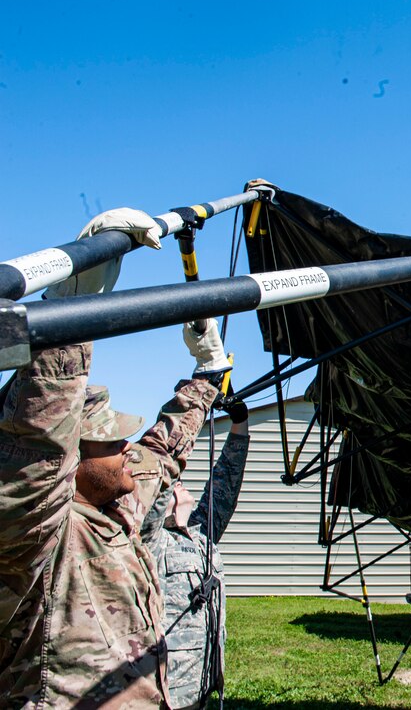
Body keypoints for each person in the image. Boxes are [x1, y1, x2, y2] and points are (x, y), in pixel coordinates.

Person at [0, 208, 233, 707]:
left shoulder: (114, 509)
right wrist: (69, 310)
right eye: (110, 441)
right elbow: (36, 442)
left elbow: (161, 451)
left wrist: (208, 373)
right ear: (71, 461)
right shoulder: (40, 536)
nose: (126, 446)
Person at [141, 395, 250, 709]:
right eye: (177, 484)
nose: (181, 484)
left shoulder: (203, 533)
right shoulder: (152, 539)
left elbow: (226, 478)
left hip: (202, 684)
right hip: (164, 692)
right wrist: (196, 406)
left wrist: (239, 422)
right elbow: (162, 470)